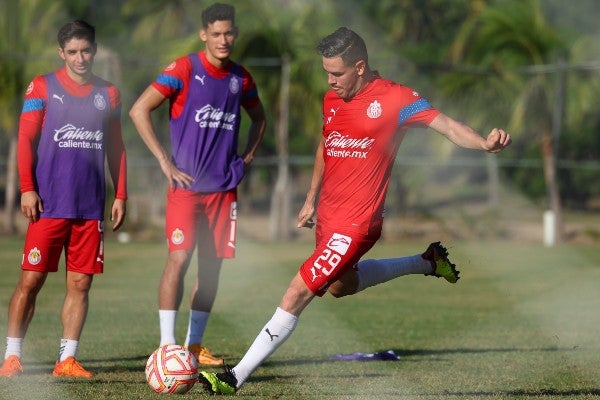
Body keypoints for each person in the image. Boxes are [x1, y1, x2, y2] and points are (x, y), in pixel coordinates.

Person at [198, 26, 512, 394]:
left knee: (297, 292)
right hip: (328, 218)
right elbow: (325, 145)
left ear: (360, 66)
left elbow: (447, 125)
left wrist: (484, 144)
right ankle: (426, 261)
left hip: (358, 224)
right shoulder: (332, 100)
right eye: (326, 73)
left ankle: (233, 378)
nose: (330, 81)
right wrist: (310, 198)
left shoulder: (396, 99)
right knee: (339, 287)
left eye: (337, 73)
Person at [129, 3, 266, 366]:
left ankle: (193, 346)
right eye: (216, 34)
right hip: (185, 190)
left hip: (223, 190)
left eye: (229, 33)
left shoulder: (242, 79)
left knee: (211, 269)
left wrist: (248, 157)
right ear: (204, 34)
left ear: (234, 33)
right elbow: (139, 110)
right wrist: (164, 161)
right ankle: (166, 346)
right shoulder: (184, 69)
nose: (224, 40)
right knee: (178, 259)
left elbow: (259, 118)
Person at [0, 20, 127, 378]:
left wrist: (121, 193)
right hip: (49, 204)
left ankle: (66, 360)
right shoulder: (43, 86)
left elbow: (116, 147)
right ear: (61, 53)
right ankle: (12, 355)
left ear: (95, 50)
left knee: (80, 284)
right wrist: (27, 187)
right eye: (72, 52)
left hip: (90, 207)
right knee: (31, 280)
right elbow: (25, 140)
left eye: (86, 50)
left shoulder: (110, 93)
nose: (80, 57)